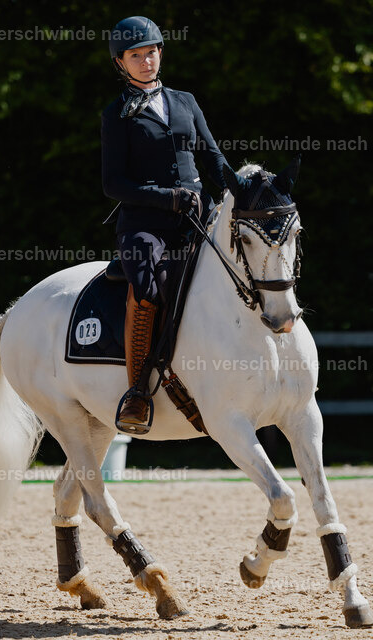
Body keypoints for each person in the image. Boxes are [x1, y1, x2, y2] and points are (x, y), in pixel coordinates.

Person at [101, 15, 232, 433]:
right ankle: (138, 391)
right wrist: (167, 197)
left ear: (161, 52)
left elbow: (212, 158)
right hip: (145, 225)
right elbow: (113, 183)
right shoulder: (116, 114)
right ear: (121, 62)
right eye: (135, 56)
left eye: (151, 52)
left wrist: (241, 187)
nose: (146, 61)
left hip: (195, 219)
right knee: (149, 288)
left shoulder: (185, 101)